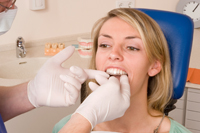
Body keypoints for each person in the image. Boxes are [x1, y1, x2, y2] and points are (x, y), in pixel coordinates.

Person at [53, 8, 192, 133]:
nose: (113, 54)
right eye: (105, 45)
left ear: (154, 65)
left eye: (132, 47)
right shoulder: (66, 127)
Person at [0, 1, 109, 132]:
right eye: (5, 5)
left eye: (132, 47)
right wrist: (85, 117)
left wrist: (30, 92)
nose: (11, 8)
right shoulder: (62, 126)